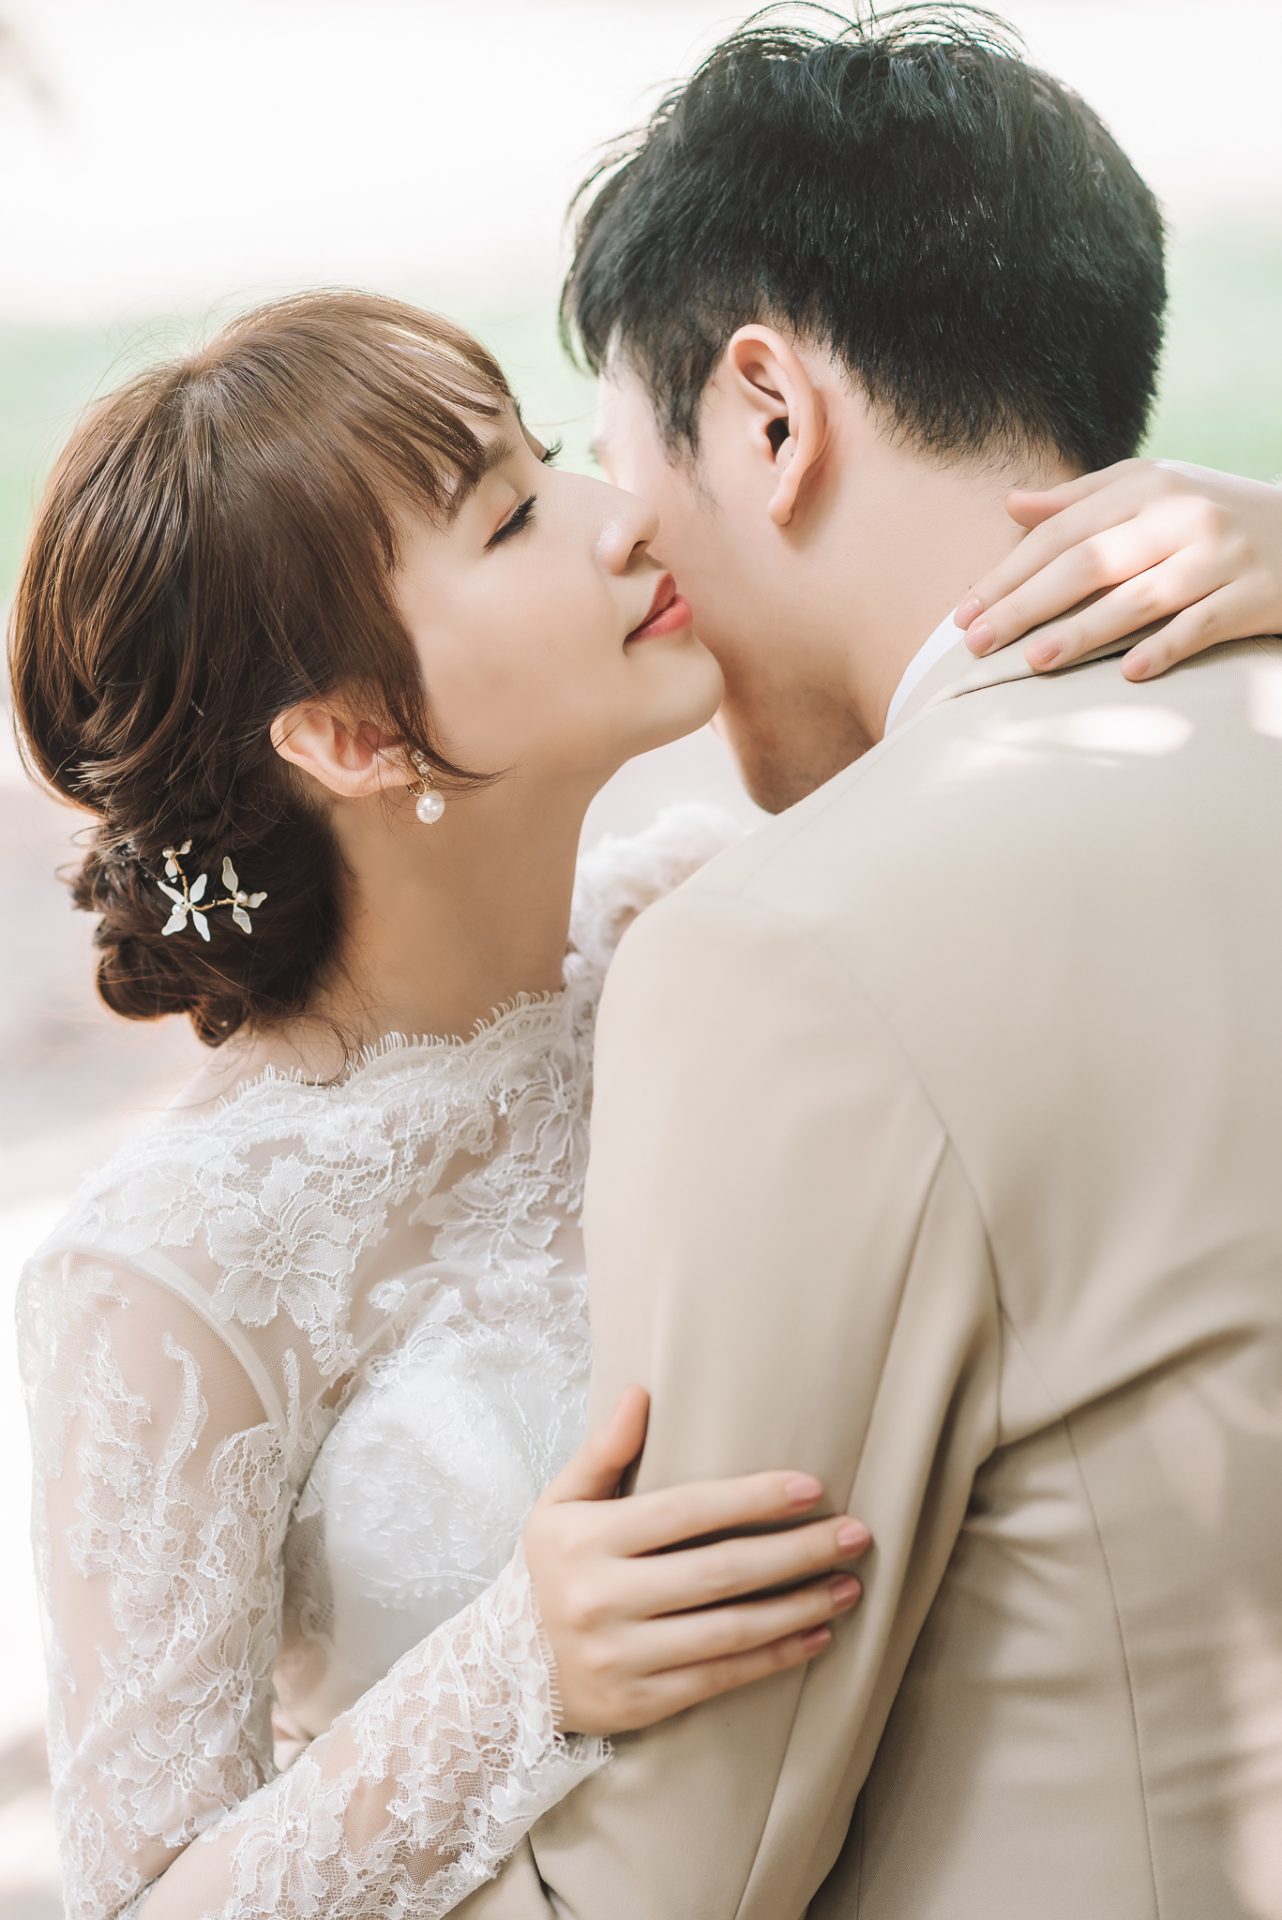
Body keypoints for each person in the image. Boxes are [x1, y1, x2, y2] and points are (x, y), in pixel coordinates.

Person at [449, 9, 1282, 1919]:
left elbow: (679, 1866)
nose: (630, 552)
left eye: (625, 468)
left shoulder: (781, 953)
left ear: (767, 412)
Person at [9, 291, 878, 1920]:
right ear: (350, 735)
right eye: (510, 518)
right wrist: (517, 1676)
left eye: (544, 459)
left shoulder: (696, 922)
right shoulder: (165, 1270)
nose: (620, 517)